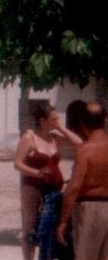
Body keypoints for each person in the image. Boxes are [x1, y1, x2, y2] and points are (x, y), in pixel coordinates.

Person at [14, 103, 82, 260]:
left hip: (54, 189)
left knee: (51, 226)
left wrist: (61, 128)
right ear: (42, 120)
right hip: (32, 188)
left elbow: (79, 144)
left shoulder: (55, 138)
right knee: (30, 227)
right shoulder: (29, 138)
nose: (57, 120)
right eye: (53, 119)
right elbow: (17, 163)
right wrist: (37, 173)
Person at [56, 101, 108, 260]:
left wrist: (63, 221)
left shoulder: (85, 150)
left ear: (83, 123)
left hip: (90, 208)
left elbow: (74, 187)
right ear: (104, 120)